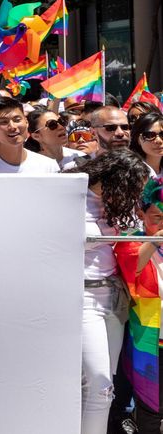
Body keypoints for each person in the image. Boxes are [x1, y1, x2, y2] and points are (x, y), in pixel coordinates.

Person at [66, 150, 151, 434]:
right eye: (133, 188)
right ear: (117, 180)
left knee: (105, 385)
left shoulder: (115, 205)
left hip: (114, 299)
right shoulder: (70, 199)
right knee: (99, 384)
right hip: (82, 298)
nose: (135, 195)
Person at [115, 174, 163, 433]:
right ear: (141, 213)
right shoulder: (130, 239)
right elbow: (131, 270)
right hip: (149, 339)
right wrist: (157, 239)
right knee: (151, 405)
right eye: (157, 217)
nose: (162, 223)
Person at [0, 98, 60, 174]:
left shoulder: (49, 167)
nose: (12, 127)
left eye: (17, 120)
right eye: (4, 122)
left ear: (26, 122)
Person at [131, 112, 163, 176]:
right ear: (138, 140)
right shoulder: (132, 173)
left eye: (162, 134)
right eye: (150, 135)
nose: (159, 141)